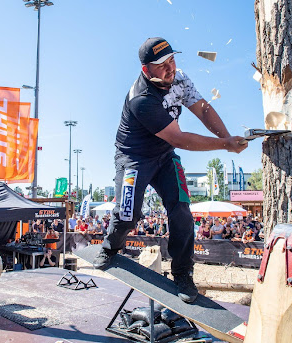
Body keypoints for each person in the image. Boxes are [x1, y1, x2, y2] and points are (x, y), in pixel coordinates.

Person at [93, 37, 247, 303]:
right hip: (134, 158)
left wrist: (228, 137)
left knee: (182, 211)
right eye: (162, 65)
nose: (170, 68)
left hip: (164, 156)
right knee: (128, 215)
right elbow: (180, 139)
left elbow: (203, 110)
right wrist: (224, 145)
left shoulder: (181, 79)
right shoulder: (142, 99)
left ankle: (183, 273)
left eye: (172, 60)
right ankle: (111, 246)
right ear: (146, 70)